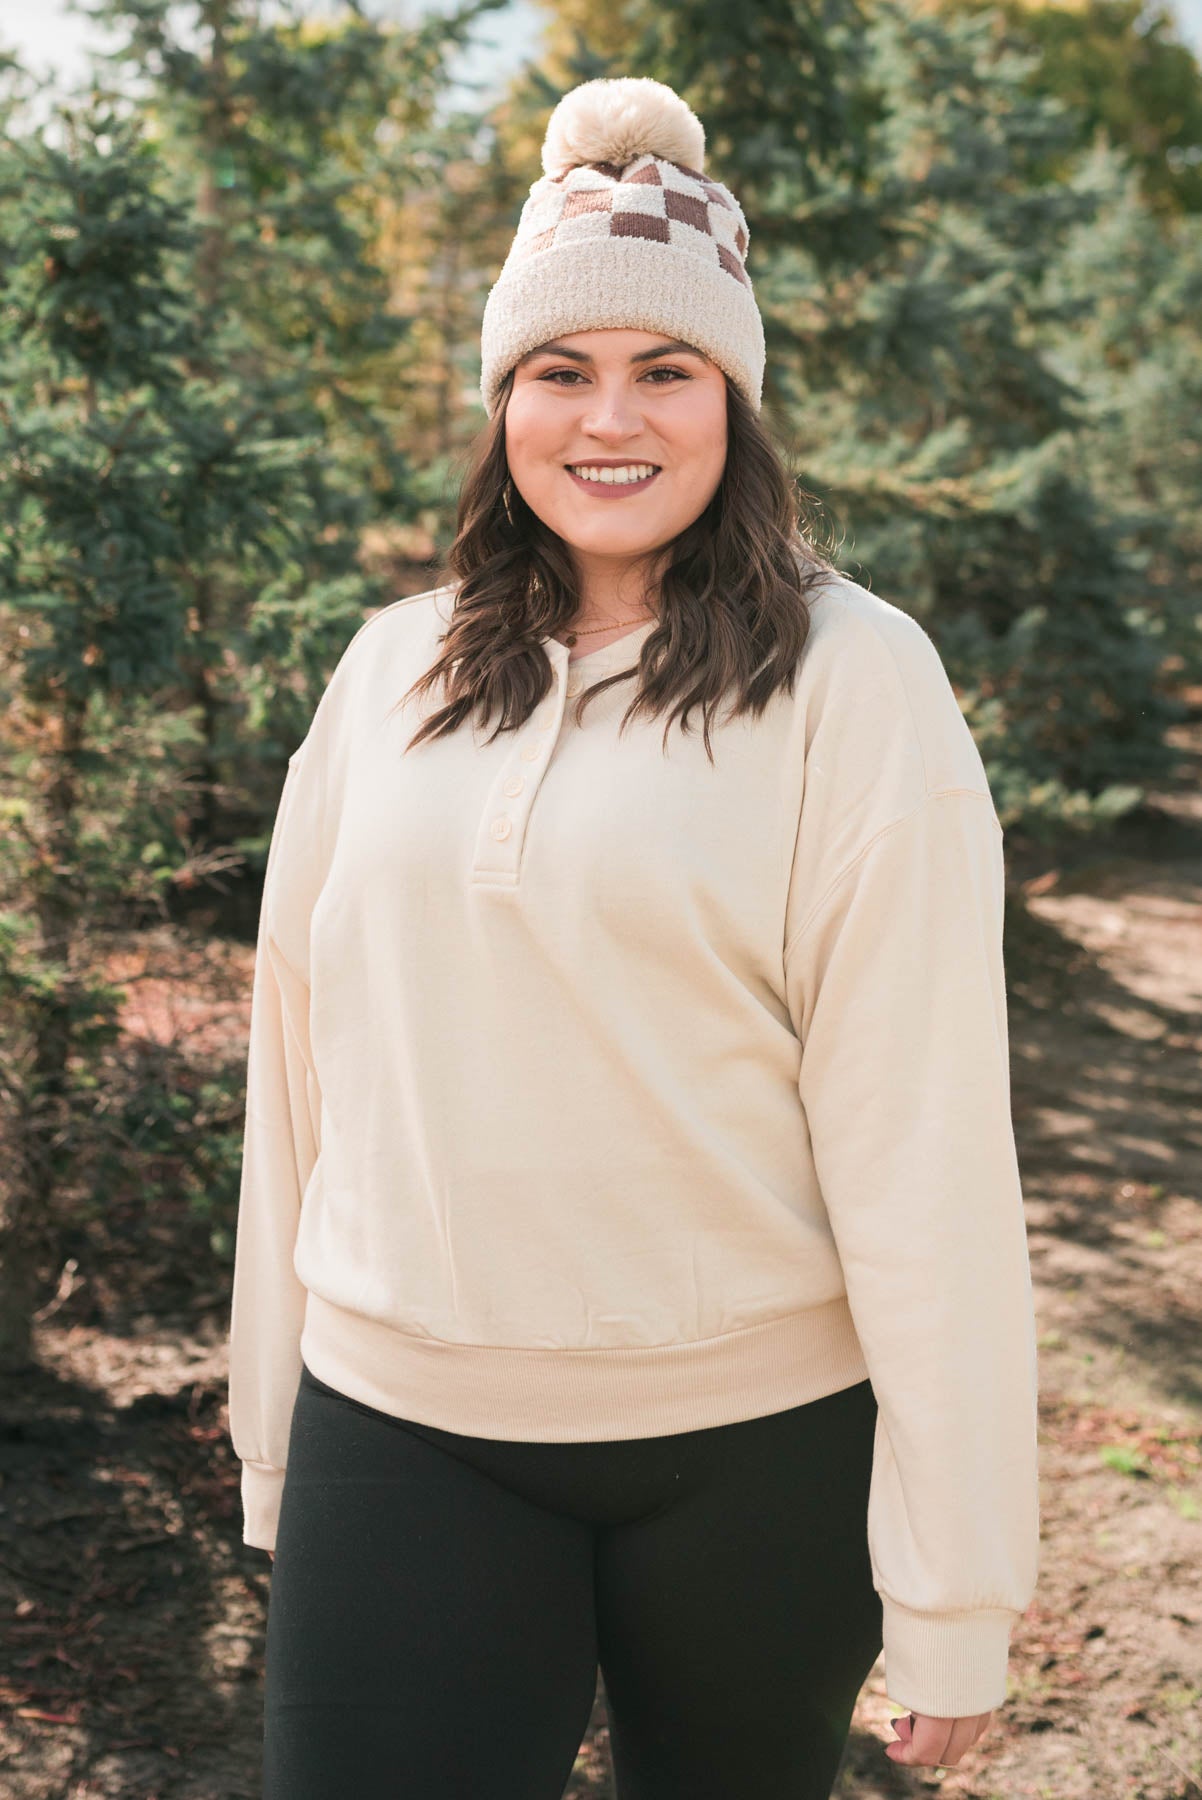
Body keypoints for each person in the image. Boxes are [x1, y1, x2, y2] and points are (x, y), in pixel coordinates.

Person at [227, 74, 1040, 1800]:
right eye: (557, 370)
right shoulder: (387, 673)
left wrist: (957, 1583)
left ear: (732, 403)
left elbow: (926, 1143)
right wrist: (271, 1435)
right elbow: (295, 1069)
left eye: (666, 370)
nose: (611, 419)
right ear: (500, 401)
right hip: (405, 1426)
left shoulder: (853, 677)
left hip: (759, 1455)